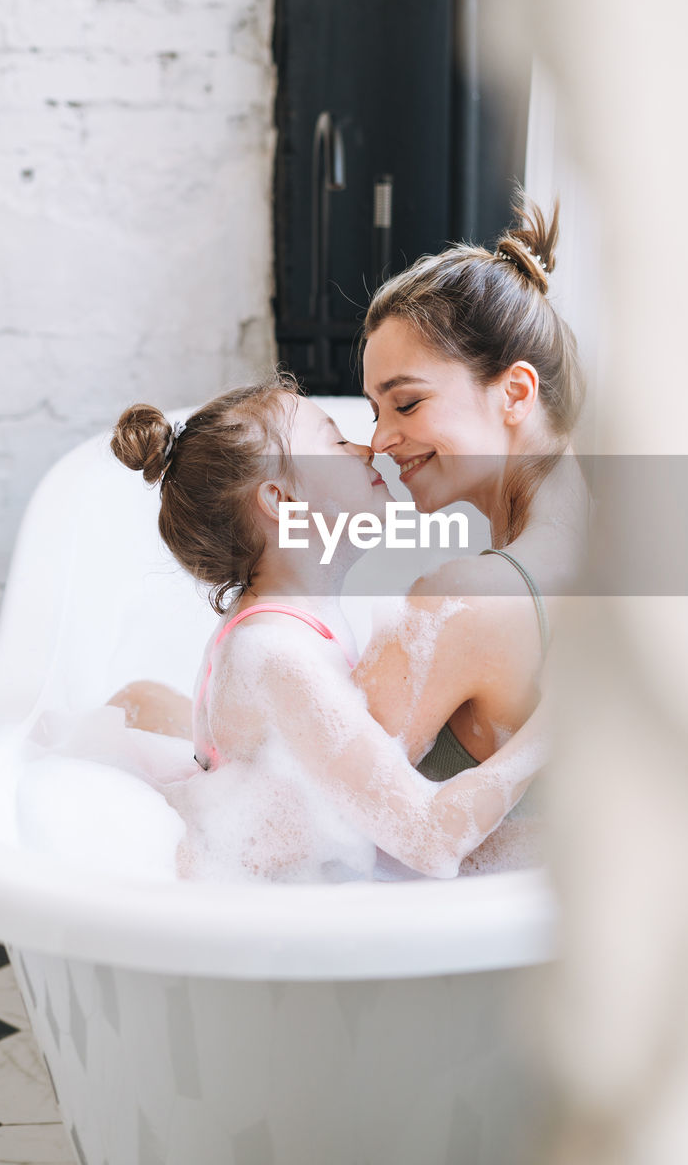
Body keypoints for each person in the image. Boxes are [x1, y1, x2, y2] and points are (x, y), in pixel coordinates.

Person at [110, 379, 545, 881]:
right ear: (282, 500)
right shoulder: (276, 654)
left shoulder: (284, 628)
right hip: (263, 920)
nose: (364, 448)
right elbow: (431, 841)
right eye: (335, 442)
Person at [354, 194, 588, 784]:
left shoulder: (465, 599)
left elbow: (297, 812)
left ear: (514, 393)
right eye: (374, 410)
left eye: (406, 402)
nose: (379, 440)